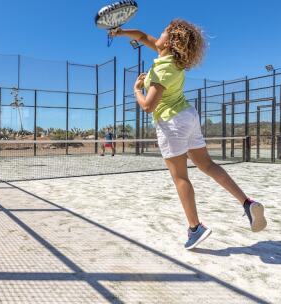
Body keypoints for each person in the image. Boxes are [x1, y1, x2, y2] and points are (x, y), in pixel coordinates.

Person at [111, 20, 267, 250]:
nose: (159, 34)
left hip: (171, 122)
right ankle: (247, 203)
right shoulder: (173, 60)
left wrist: (136, 89)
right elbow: (143, 36)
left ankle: (195, 228)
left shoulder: (162, 69)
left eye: (163, 32)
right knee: (207, 165)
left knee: (180, 177)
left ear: (171, 41)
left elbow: (148, 106)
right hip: (189, 116)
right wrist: (122, 32)